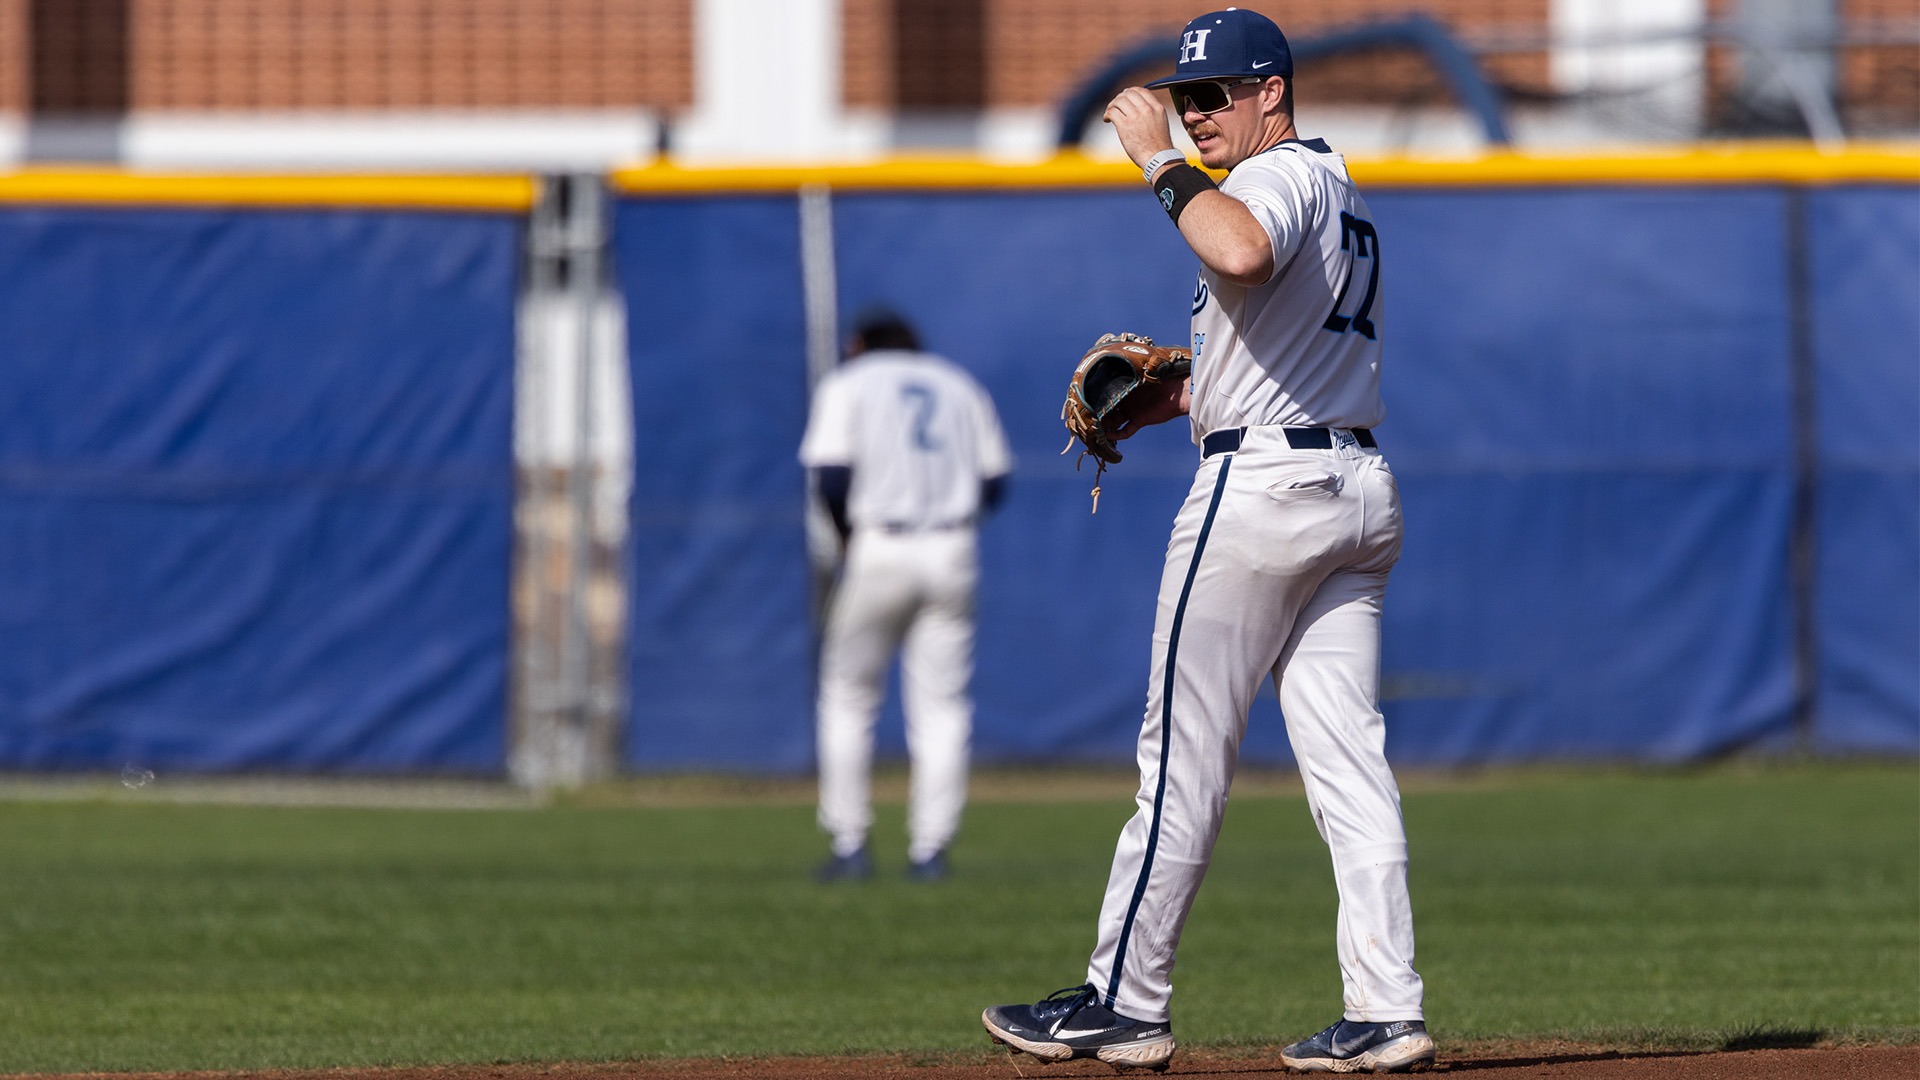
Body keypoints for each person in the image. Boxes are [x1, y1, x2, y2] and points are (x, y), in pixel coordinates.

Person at [981, 9, 1434, 1074]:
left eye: (1213, 96)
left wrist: (1154, 162)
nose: (1193, 115)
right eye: (1184, 101)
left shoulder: (1267, 184)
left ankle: (1124, 1003)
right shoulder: (1332, 184)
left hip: (1263, 491)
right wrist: (1187, 385)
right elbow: (1276, 318)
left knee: (1182, 756)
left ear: (1272, 91)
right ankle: (1386, 1009)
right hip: (1352, 483)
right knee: (1348, 765)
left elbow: (1234, 243)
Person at [799, 308, 1013, 884]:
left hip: (880, 544)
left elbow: (831, 479)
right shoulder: (958, 385)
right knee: (942, 707)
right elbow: (994, 482)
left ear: (860, 344)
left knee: (848, 695)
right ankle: (930, 849)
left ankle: (850, 843)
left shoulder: (849, 382)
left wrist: (848, 540)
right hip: (952, 547)